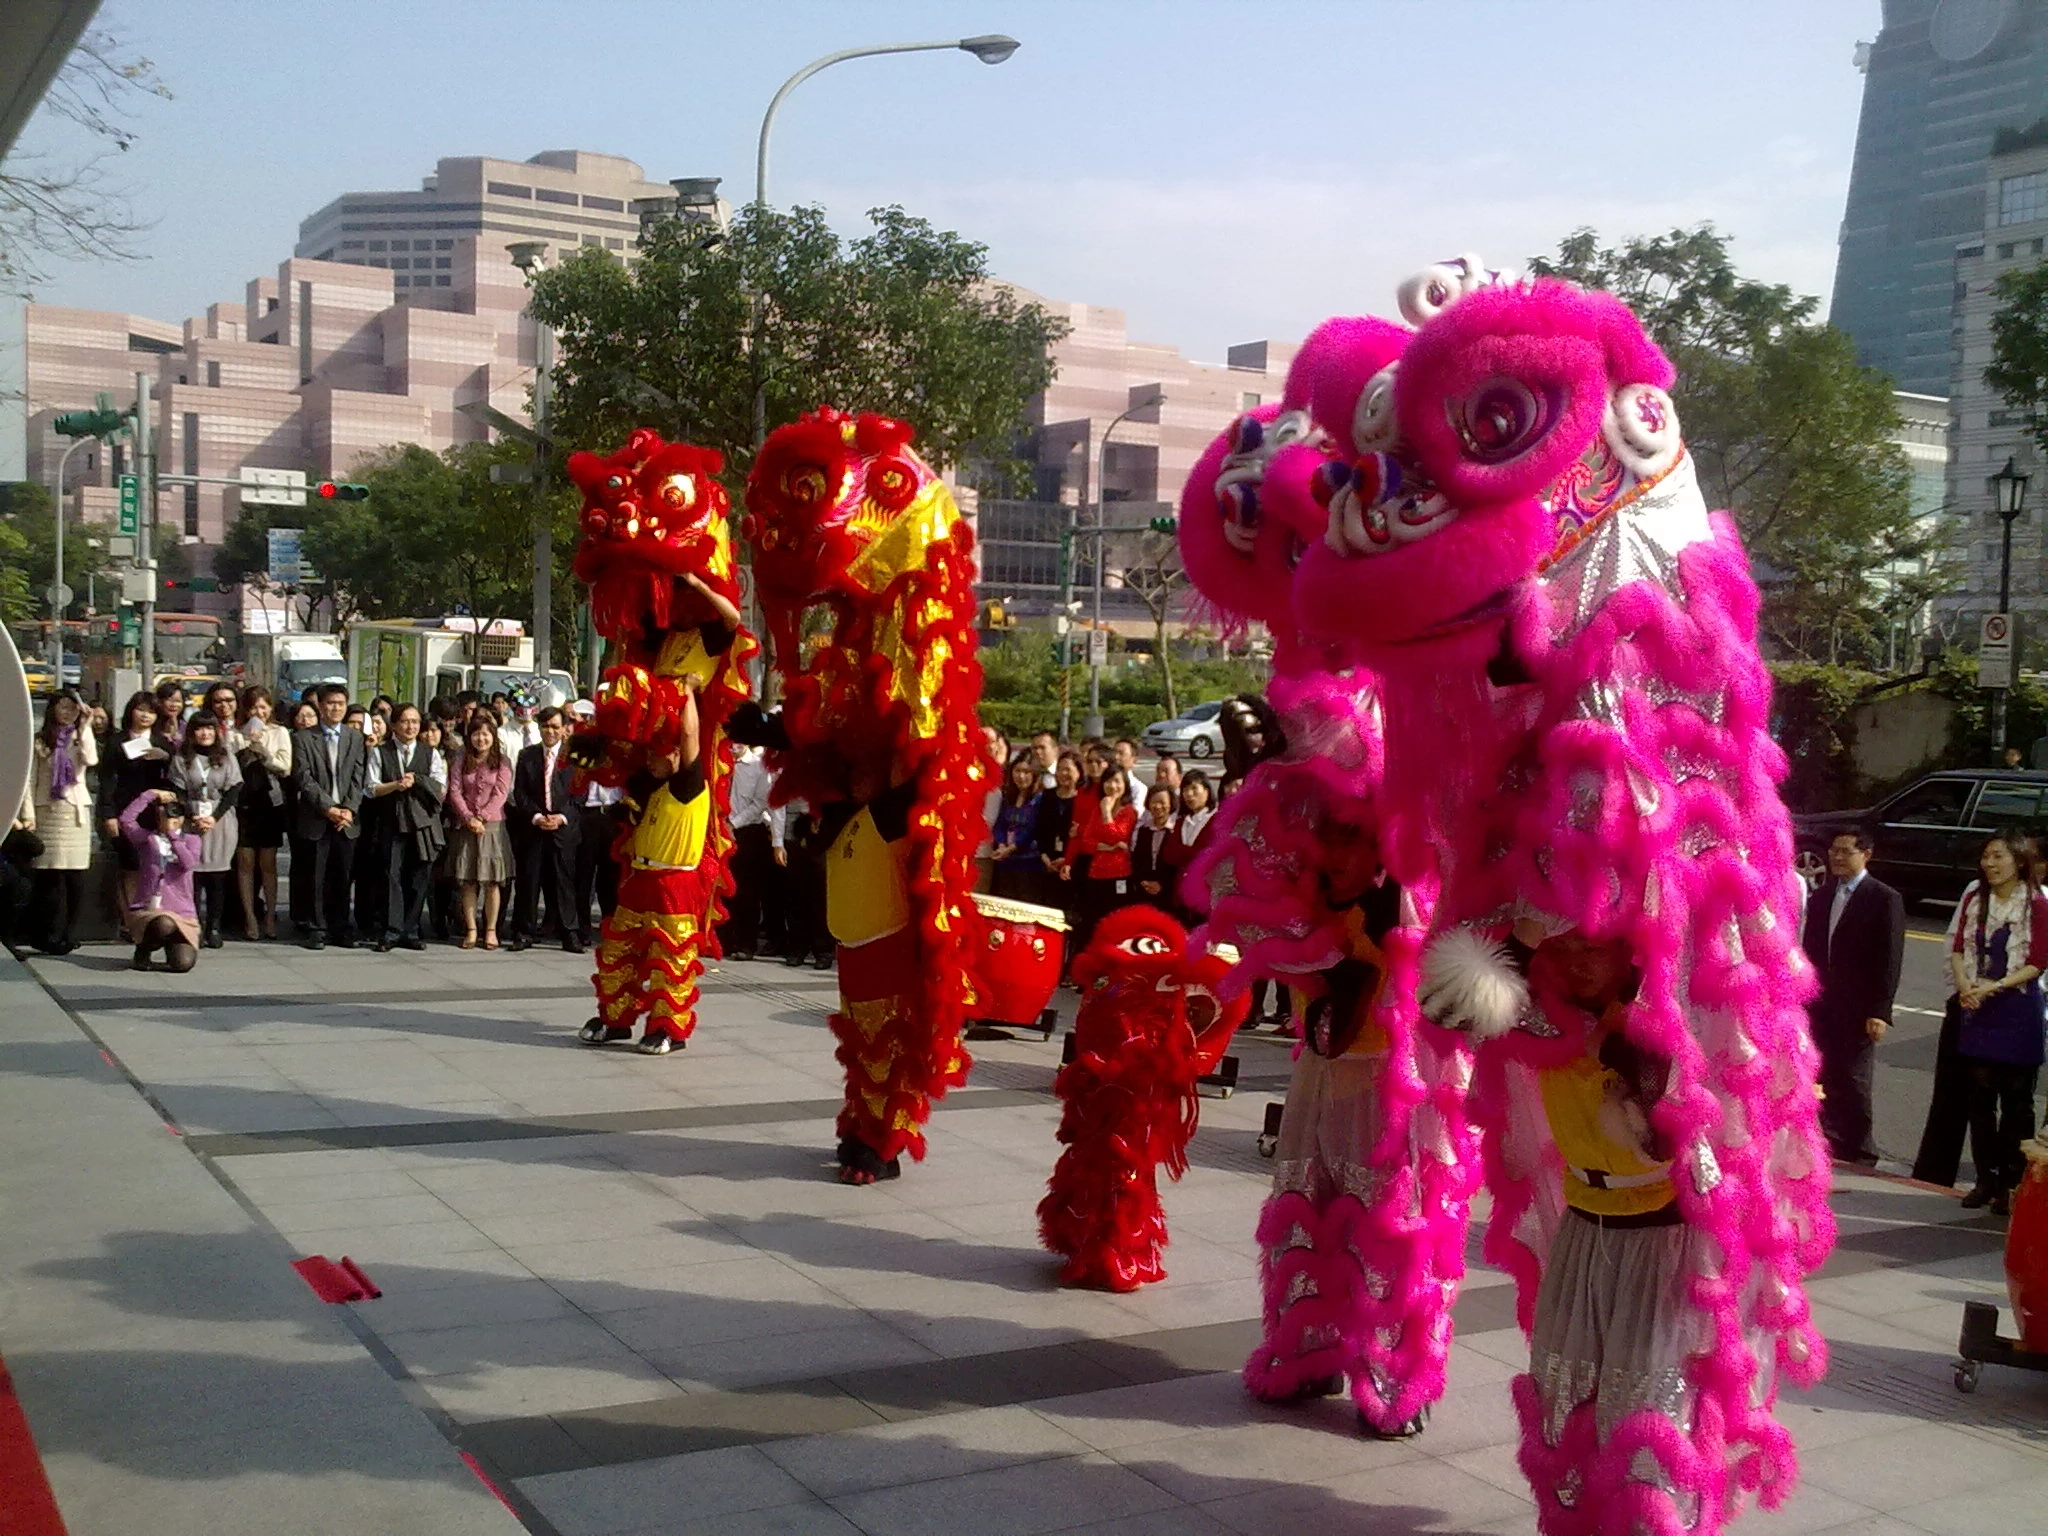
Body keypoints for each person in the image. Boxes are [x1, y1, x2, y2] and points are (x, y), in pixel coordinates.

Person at [1935, 833, 2048, 1214]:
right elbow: (1957, 949)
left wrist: (1992, 987)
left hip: (2016, 1009)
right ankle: (1985, 1179)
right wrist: (1966, 986)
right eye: (1985, 856)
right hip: (1978, 1008)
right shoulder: (1974, 899)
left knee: (2017, 1104)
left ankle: (2011, 1184)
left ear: (2018, 861)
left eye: (1998, 856)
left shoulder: (2037, 903)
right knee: (1980, 1102)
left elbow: (2037, 961)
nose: (1990, 863)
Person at [1798, 828, 1905, 1166]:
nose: (1837, 857)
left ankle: (1861, 1148)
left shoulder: (1884, 898)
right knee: (1823, 1072)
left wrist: (1880, 1009)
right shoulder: (1822, 896)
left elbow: (1890, 958)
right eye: (1834, 851)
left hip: (1859, 1006)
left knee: (1854, 1077)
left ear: (1866, 854)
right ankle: (1830, 1140)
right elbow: (1811, 950)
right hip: (1823, 1003)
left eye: (1846, 851)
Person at [289, 683, 369, 950]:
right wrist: (329, 808)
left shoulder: (354, 738)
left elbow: (359, 777)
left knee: (343, 876)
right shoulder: (303, 738)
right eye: (330, 703)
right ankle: (316, 928)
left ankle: (341, 928)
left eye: (340, 704)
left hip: (346, 820)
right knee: (315, 876)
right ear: (321, 707)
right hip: (316, 816)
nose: (336, 708)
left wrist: (349, 809)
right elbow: (303, 777)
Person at [367, 703, 446, 950]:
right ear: (394, 725)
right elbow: (371, 788)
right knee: (392, 876)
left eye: (414, 721)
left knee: (418, 877)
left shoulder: (430, 753)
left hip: (421, 824)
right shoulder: (381, 752)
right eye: (404, 721)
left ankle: (411, 930)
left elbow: (441, 788)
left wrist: (418, 781)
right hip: (391, 821)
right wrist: (395, 786)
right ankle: (391, 931)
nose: (410, 726)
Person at [28, 691, 98, 955]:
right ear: (52, 709)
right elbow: (31, 779)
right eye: (63, 707)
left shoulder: (79, 737)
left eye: (73, 708)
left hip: (75, 812)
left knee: (75, 876)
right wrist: (29, 814)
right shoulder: (39, 741)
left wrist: (85, 727)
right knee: (50, 877)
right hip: (48, 811)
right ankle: (47, 933)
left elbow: (91, 760)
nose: (68, 713)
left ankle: (70, 932)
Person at [509, 705, 582, 952]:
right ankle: (524, 931)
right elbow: (520, 792)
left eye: (555, 726)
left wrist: (561, 817)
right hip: (534, 827)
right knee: (529, 880)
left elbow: (579, 795)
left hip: (563, 829)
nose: (549, 731)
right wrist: (537, 816)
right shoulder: (526, 756)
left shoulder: (574, 758)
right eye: (545, 726)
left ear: (564, 730)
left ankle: (568, 933)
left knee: (564, 882)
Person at [169, 713, 243, 948]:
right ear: (192, 732)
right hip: (190, 820)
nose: (205, 733)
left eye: (210, 729)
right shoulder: (182, 758)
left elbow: (234, 789)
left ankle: (214, 926)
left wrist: (213, 817)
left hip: (219, 821)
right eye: (200, 729)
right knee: (193, 876)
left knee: (217, 877)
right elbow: (176, 791)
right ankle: (194, 925)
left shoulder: (226, 756)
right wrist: (192, 815)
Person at [99, 691, 173, 910]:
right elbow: (107, 779)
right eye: (141, 710)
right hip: (125, 808)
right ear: (131, 711)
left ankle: (152, 911)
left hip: (154, 811)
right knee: (129, 864)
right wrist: (108, 813)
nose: (145, 716)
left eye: (151, 712)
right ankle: (130, 916)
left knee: (153, 863)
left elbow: (174, 779)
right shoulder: (117, 741)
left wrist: (165, 758)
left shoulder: (162, 742)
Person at [446, 713, 513, 950]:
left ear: (493, 736)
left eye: (485, 733)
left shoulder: (502, 762)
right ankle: (471, 929)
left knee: (493, 882)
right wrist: (468, 817)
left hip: (492, 826)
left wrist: (482, 817)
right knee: (468, 881)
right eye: (476, 733)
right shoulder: (460, 759)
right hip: (466, 826)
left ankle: (491, 930)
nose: (481, 738)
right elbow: (454, 791)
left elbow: (501, 794)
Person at [233, 687, 293, 941]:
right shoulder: (236, 735)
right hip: (243, 803)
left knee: (267, 863)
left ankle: (270, 916)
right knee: (245, 863)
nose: (259, 712)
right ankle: (249, 917)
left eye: (264, 707)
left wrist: (264, 752)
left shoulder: (279, 733)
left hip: (270, 803)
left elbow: (285, 767)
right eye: (254, 707)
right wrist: (247, 745)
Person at [120, 789, 201, 973]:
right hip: (150, 910)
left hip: (182, 913)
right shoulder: (147, 839)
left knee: (182, 965)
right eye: (167, 812)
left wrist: (173, 836)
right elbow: (126, 820)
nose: (173, 817)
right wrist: (149, 795)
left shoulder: (191, 840)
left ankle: (172, 947)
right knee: (164, 924)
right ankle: (143, 949)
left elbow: (187, 863)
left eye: (177, 813)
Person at [1062, 763, 1137, 956]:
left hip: (1119, 875)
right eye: (1108, 781)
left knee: (1115, 925)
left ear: (1125, 785)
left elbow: (1118, 836)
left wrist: (1106, 814)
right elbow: (1086, 841)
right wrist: (1107, 847)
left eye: (1117, 781)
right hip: (1096, 873)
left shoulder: (1129, 811)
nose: (1113, 787)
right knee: (1092, 923)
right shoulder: (1097, 808)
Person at [721, 742, 784, 962]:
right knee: (722, 888)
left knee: (746, 892)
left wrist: (734, 824)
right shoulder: (720, 762)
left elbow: (759, 803)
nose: (734, 746)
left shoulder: (758, 766)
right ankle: (724, 941)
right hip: (719, 830)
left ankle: (746, 943)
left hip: (747, 831)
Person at [1160, 769, 1216, 926]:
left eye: (1194, 789)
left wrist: (1183, 852)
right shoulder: (1181, 821)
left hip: (1205, 894)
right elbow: (1169, 855)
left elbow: (1207, 855)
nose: (1189, 795)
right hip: (1180, 894)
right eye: (1185, 790)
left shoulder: (1216, 819)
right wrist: (1192, 853)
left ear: (1206, 790)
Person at [990, 752, 1045, 902]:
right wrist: (1001, 844)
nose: (1021, 776)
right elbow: (1000, 823)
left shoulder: (1040, 798)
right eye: (1017, 771)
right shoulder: (1009, 796)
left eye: (1026, 772)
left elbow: (1033, 829)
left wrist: (1013, 847)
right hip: (1005, 860)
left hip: (1029, 863)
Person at [1036, 751, 1084, 917]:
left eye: (1068, 769)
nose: (1063, 774)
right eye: (1060, 769)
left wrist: (1066, 859)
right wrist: (1044, 857)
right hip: (1047, 862)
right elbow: (1039, 828)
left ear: (1079, 772)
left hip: (1072, 865)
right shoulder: (1048, 795)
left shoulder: (1083, 799)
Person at [1130, 783, 1179, 910]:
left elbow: (1177, 864)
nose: (1158, 806)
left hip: (1168, 891)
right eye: (1154, 802)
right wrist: (1143, 881)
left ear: (1171, 804)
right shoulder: (1143, 830)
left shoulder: (1176, 830)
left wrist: (1162, 884)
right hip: (1144, 889)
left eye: (1162, 802)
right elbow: (1137, 859)